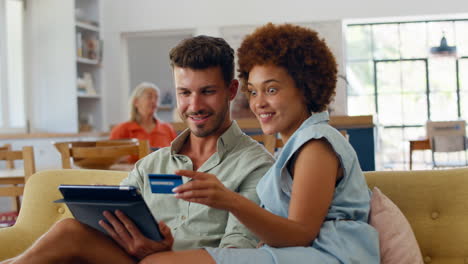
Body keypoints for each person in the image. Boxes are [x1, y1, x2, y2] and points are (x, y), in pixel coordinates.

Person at [0, 35, 274, 264]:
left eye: (207, 91)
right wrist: (103, 210)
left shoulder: (257, 166)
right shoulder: (151, 165)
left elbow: (236, 254)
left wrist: (164, 255)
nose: (194, 105)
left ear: (232, 89)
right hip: (130, 259)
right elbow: (108, 226)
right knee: (69, 230)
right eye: (184, 93)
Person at [135, 23, 380, 263]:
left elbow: (302, 234)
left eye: (271, 90)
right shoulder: (298, 145)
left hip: (330, 255)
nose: (258, 103)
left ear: (305, 87)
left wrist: (229, 200)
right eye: (253, 91)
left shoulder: (315, 144)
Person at [110, 82, 177, 162]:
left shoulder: (167, 128)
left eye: (156, 98)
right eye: (149, 97)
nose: (154, 101)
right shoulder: (121, 129)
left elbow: (177, 156)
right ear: (136, 102)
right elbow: (112, 158)